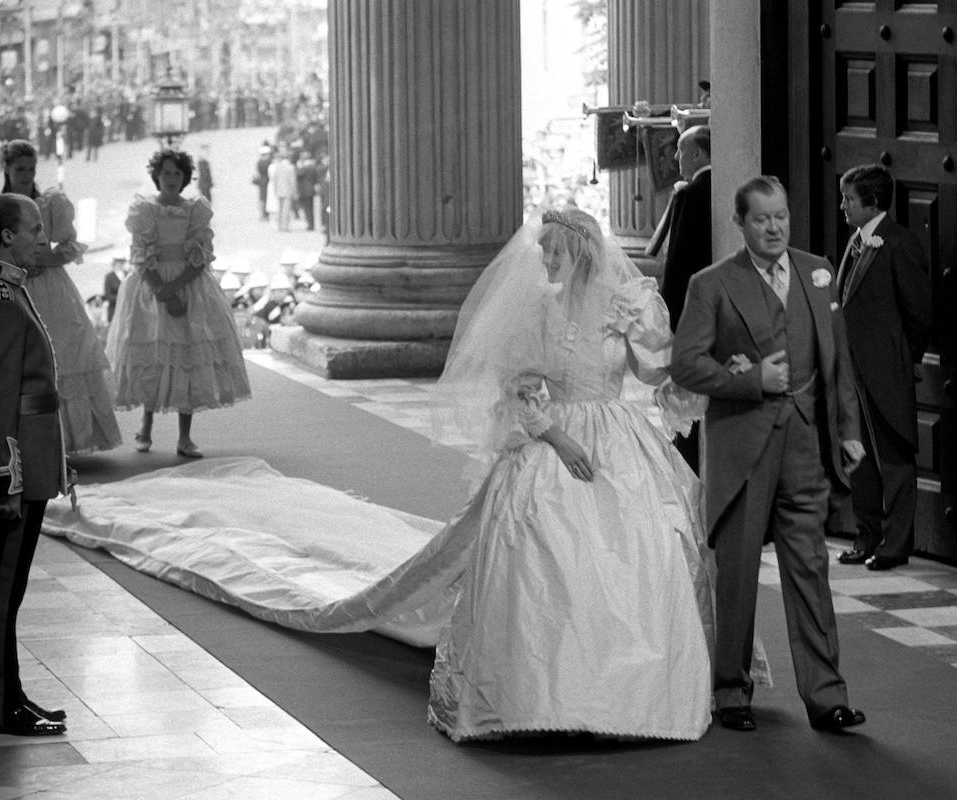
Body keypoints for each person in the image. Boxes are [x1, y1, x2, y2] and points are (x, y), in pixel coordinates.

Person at [46, 207, 757, 744]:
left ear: (575, 252)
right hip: (555, 440)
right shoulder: (536, 311)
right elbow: (523, 386)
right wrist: (558, 439)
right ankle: (542, 698)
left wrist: (704, 375)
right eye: (540, 252)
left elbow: (659, 371)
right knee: (544, 549)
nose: (541, 262)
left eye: (549, 252)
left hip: (617, 441)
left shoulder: (627, 307)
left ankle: (638, 692)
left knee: (647, 551)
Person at [670, 175, 867, 733]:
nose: (775, 227)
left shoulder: (816, 270)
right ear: (740, 223)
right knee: (736, 575)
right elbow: (685, 364)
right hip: (744, 451)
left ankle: (827, 697)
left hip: (805, 448)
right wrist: (752, 379)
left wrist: (848, 430)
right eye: (762, 219)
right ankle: (731, 692)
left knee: (811, 568)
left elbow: (839, 360)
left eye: (781, 216)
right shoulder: (711, 284)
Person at [0, 193, 72, 736]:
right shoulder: (0, 297)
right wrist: (4, 479)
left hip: (29, 458)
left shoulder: (7, 290)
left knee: (13, 588)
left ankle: (13, 694)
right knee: (5, 588)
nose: (41, 237)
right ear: (7, 235)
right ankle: (3, 705)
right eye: (33, 228)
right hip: (16, 467)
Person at [0, 140, 123, 455]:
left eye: (31, 169)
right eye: (19, 169)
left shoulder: (49, 205)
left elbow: (68, 247)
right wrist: (14, 266)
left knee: (60, 354)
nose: (26, 174)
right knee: (11, 359)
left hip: (50, 290)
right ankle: (10, 440)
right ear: (7, 169)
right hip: (10, 289)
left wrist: (41, 261)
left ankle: (62, 441)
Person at [106, 148, 252, 458]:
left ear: (185, 177)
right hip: (151, 287)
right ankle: (145, 426)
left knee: (187, 358)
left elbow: (201, 257)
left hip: (188, 286)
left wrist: (176, 288)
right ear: (156, 176)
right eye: (166, 172)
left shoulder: (195, 210)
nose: (171, 178)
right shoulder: (145, 211)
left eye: (177, 173)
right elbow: (140, 255)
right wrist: (161, 289)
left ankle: (185, 437)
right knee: (154, 356)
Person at [834, 164, 932, 571]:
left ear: (871, 202)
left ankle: (895, 545)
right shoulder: (856, 242)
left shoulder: (898, 243)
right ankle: (867, 535)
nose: (842, 206)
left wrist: (905, 359)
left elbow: (919, 312)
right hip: (851, 371)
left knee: (892, 457)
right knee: (859, 457)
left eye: (849, 199)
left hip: (886, 369)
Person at [651, 124, 713, 473]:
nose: (675, 157)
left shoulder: (690, 195)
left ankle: (688, 469)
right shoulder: (727, 187)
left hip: (690, 317)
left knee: (688, 406)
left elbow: (677, 269)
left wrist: (667, 323)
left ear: (698, 154)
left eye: (680, 150)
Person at [270, 150, 298, 232]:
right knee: (286, 209)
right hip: (287, 190)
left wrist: (275, 190)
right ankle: (285, 227)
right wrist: (295, 191)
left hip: (279, 190)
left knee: (280, 209)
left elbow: (275, 180)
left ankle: (279, 226)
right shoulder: (290, 167)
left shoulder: (278, 167)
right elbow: (292, 181)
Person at [102, 249, 129, 323]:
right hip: (114, 309)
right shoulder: (109, 277)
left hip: (128, 308)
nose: (119, 264)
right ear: (114, 263)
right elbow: (107, 295)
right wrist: (121, 299)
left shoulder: (128, 274)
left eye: (121, 262)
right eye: (117, 262)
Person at [295, 152, 317, 230]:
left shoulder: (304, 168)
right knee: (310, 208)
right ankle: (312, 223)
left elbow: (298, 175)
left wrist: (300, 167)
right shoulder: (313, 166)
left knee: (307, 208)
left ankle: (310, 224)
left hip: (304, 190)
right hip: (310, 189)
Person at [253, 143, 272, 221]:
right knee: (265, 198)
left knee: (263, 198)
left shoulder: (259, 162)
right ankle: (264, 214)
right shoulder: (267, 162)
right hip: (266, 181)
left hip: (262, 182)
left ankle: (263, 214)